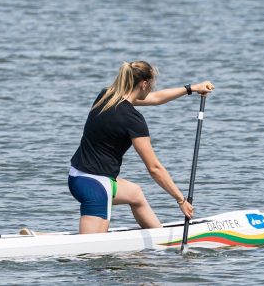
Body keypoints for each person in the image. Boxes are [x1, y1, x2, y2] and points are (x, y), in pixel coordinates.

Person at [68, 61, 214, 234]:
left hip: (77, 176)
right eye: (151, 85)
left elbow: (156, 98)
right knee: (89, 251)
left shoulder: (106, 96)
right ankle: (38, 239)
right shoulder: (133, 120)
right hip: (97, 187)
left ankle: (160, 238)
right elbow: (154, 168)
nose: (151, 90)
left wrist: (193, 88)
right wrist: (181, 200)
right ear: (144, 84)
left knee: (135, 194)